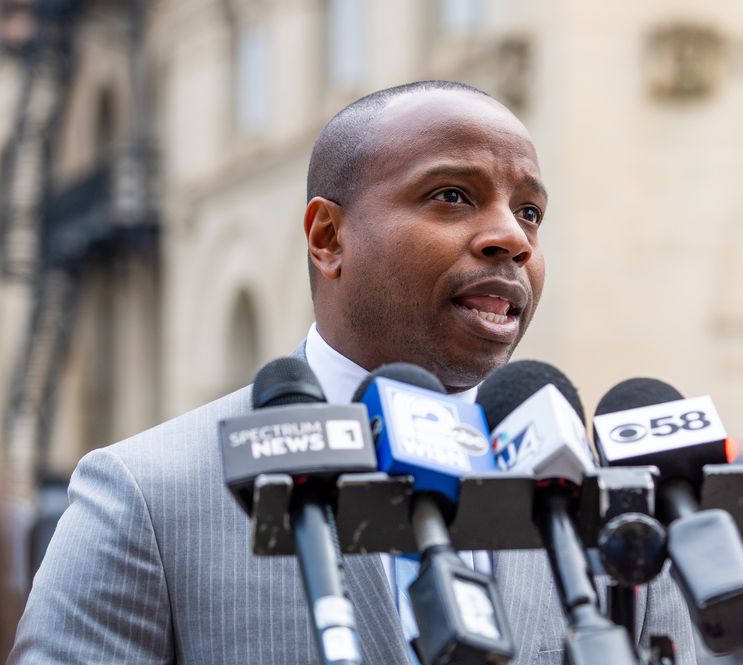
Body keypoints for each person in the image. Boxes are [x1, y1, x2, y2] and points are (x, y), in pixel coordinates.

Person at [8, 81, 696, 664]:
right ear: (327, 238)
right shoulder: (149, 496)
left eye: (529, 212)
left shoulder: (609, 496)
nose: (512, 238)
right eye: (453, 195)